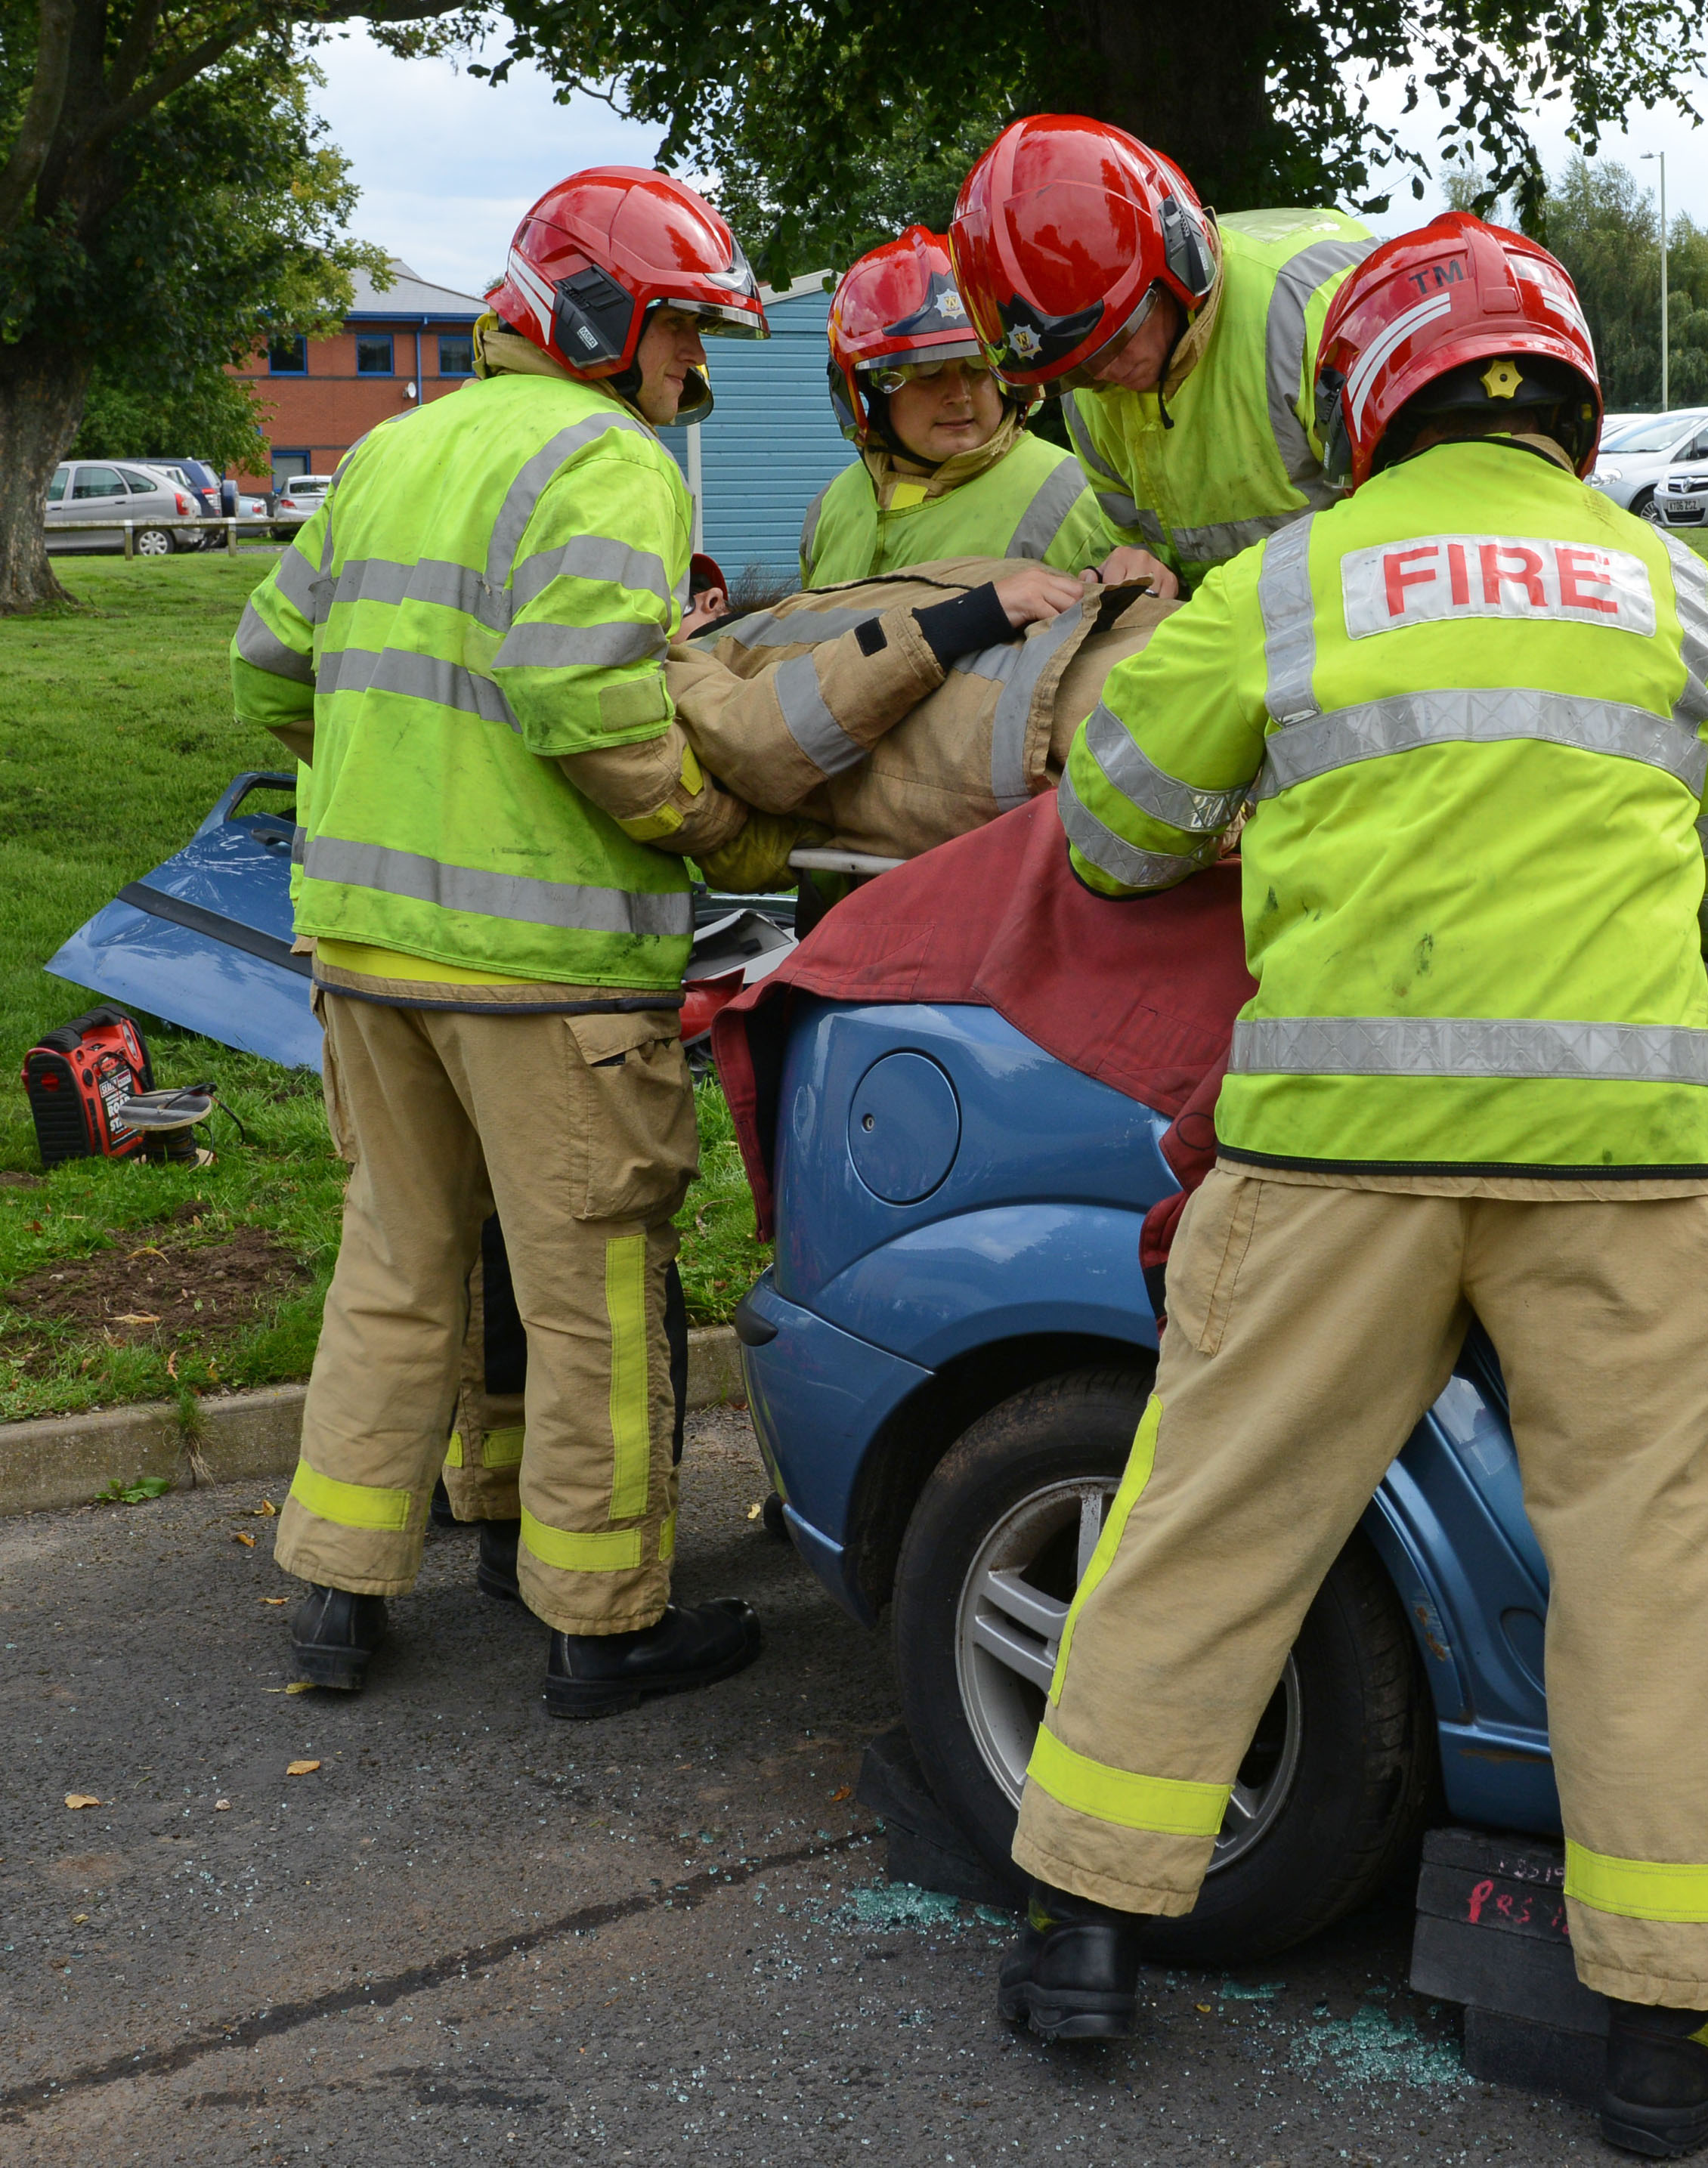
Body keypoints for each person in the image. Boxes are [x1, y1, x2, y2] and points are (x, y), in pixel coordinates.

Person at [987, 210, 1708, 2158]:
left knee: (1211, 1521)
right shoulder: (1684, 596)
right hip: (1631, 1175)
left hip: (1330, 1166)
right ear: (1572, 401)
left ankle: (1083, 1937)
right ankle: (1664, 2040)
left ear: (1365, 402)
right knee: (1662, 1573)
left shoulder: (1287, 581)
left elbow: (1107, 833)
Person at [231, 165, 800, 1716]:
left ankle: (339, 1595)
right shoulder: (609, 461)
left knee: (397, 1272)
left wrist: (383, 778)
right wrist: (739, 835)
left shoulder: (391, 450)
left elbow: (264, 666)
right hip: (544, 973)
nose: (698, 370)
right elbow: (587, 707)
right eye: (687, 334)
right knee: (595, 1293)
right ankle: (601, 1624)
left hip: (363, 950)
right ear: (608, 322)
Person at [947, 115, 1378, 589]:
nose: (1105, 372)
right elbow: (1136, 540)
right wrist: (1138, 568)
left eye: (1117, 338)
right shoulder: (1086, 381)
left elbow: (1415, 532)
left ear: (1181, 263)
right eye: (1076, 371)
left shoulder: (1310, 315)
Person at [798, 224, 1175, 595]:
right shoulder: (832, 507)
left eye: (979, 368)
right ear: (872, 391)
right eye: (928, 373)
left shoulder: (1073, 501)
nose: (959, 394)